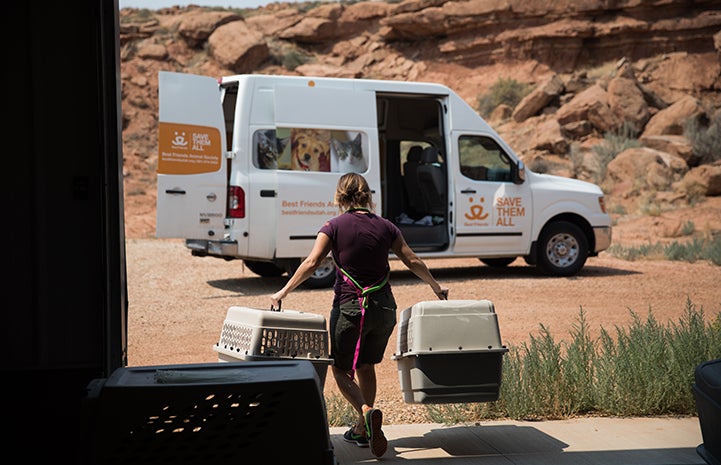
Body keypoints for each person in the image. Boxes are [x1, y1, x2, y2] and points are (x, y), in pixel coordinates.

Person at [271, 172, 449, 458]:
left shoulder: (333, 226)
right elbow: (412, 260)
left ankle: (365, 412)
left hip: (350, 308)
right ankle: (363, 430)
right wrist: (436, 287)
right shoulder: (387, 227)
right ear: (368, 196)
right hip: (384, 309)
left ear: (340, 197)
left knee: (341, 369)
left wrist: (283, 291)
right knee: (366, 366)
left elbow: (312, 261)